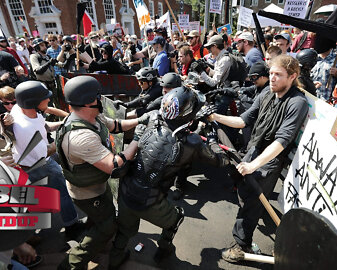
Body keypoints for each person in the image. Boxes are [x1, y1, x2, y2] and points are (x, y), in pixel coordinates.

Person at [108, 86, 231, 268]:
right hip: (150, 202)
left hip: (126, 192)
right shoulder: (193, 142)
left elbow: (130, 123)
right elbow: (222, 161)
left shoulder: (152, 116)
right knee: (177, 217)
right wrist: (212, 139)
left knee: (124, 231)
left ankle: (114, 259)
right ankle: (164, 249)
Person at [206, 55, 309, 262]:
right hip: (254, 149)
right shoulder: (266, 94)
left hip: (271, 159)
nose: (272, 78)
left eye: (278, 75)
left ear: (292, 76)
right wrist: (215, 117)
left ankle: (241, 246)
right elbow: (243, 121)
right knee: (245, 195)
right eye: (271, 73)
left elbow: (281, 142)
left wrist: (253, 165)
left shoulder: (297, 103)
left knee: (251, 203)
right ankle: (249, 221)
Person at [56, 76, 144, 269]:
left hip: (96, 186)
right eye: (98, 95)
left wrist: (141, 120)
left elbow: (116, 126)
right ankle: (73, 263)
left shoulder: (91, 116)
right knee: (107, 227)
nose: (101, 98)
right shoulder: (81, 136)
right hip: (87, 193)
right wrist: (138, 140)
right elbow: (114, 164)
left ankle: (93, 231)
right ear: (88, 102)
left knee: (103, 215)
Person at [11, 81, 84, 240]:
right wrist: (68, 132)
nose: (49, 101)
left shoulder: (21, 109)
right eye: (45, 98)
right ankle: (72, 226)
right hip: (40, 164)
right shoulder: (25, 129)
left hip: (26, 163)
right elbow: (46, 152)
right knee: (62, 192)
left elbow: (43, 126)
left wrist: (64, 122)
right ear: (33, 103)